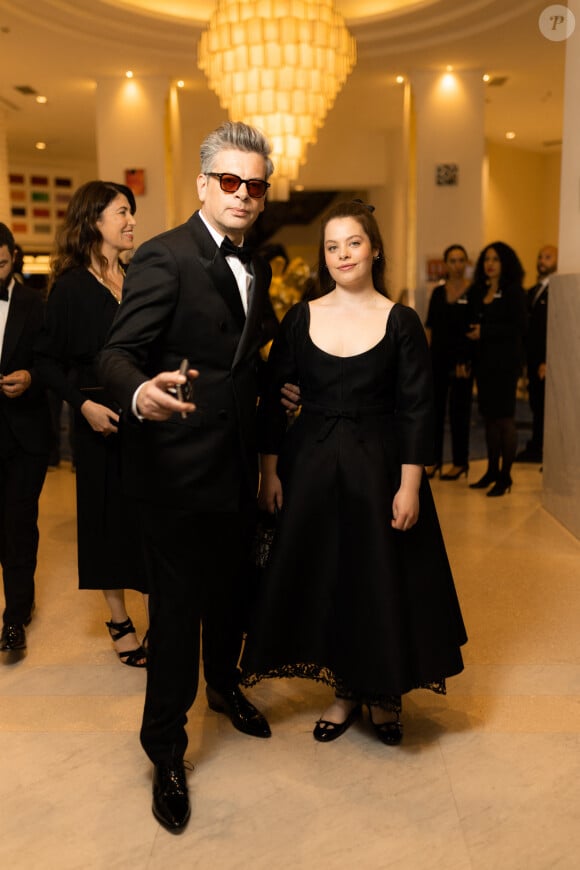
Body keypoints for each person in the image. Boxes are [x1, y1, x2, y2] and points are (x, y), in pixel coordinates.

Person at [99, 121, 278, 834]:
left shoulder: (256, 265)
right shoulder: (165, 257)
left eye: (255, 185)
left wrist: (268, 452)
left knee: (232, 595)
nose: (242, 194)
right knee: (175, 617)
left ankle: (225, 686)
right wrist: (139, 393)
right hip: (173, 472)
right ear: (204, 184)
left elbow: (248, 369)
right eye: (229, 181)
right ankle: (166, 752)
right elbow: (117, 353)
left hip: (235, 471)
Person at [241, 200, 467, 747]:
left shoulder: (401, 321)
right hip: (310, 472)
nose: (343, 254)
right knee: (328, 581)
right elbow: (274, 398)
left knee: (377, 581)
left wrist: (410, 484)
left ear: (375, 249)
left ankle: (384, 695)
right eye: (332, 246)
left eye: (353, 243)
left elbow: (418, 408)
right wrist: (269, 473)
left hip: (380, 473)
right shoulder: (301, 315)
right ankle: (344, 693)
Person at [35, 181, 148, 667]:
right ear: (94, 220)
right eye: (122, 212)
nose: (131, 222)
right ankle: (119, 618)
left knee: (149, 515)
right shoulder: (71, 287)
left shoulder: (138, 277)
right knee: (106, 520)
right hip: (97, 417)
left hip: (144, 416)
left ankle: (162, 613)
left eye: (132, 212)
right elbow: (45, 361)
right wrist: (83, 407)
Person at [0, 223, 50, 654]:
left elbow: (52, 361)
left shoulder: (36, 303)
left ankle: (15, 616)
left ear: (13, 257)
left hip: (23, 434)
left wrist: (31, 375)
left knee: (17, 526)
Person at [466, 242, 528, 497]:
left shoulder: (513, 291)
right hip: (485, 365)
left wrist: (486, 332)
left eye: (496, 259)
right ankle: (492, 470)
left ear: (506, 263)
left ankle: (505, 476)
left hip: (505, 365)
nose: (490, 264)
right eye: (487, 259)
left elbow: (518, 328)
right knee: (489, 418)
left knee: (504, 419)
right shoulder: (480, 290)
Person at [424, 244, 473, 480]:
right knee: (434, 412)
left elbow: (474, 331)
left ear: (466, 263)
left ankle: (460, 462)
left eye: (461, 260)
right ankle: (433, 461)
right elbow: (429, 328)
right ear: (445, 264)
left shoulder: (473, 293)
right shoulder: (437, 293)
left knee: (459, 412)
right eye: (452, 260)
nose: (456, 265)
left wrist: (467, 360)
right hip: (437, 360)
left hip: (462, 363)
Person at [516, 244, 557, 464]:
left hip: (543, 359)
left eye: (548, 257)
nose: (542, 261)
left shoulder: (556, 291)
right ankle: (535, 444)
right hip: (530, 358)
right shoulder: (532, 291)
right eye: (540, 256)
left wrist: (546, 360)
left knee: (543, 406)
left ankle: (542, 446)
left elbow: (553, 329)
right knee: (534, 403)